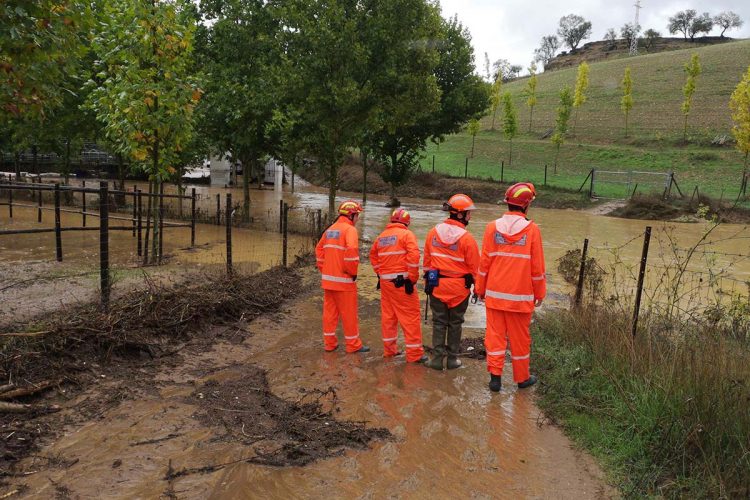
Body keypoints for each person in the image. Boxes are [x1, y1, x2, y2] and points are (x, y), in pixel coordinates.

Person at [474, 183, 546, 392]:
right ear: (526, 205)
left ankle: (495, 379)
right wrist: (540, 293)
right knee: (520, 340)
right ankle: (522, 379)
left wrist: (480, 288)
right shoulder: (532, 230)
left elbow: (484, 263)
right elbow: (537, 267)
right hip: (520, 298)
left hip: (495, 297)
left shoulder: (491, 228)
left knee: (495, 338)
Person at [422, 194, 480, 370]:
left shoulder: (433, 233)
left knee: (439, 323)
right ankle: (453, 360)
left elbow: (427, 263)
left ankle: (437, 360)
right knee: (455, 323)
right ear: (460, 214)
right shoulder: (467, 239)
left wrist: (428, 284)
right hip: (459, 289)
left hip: (437, 287)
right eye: (468, 213)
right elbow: (475, 268)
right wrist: (478, 288)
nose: (470, 216)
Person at [370, 208, 427, 363]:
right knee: (411, 317)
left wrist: (380, 273)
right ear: (406, 223)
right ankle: (415, 355)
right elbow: (414, 257)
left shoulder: (381, 237)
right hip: (402, 283)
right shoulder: (407, 235)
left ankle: (389, 351)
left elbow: (373, 256)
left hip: (386, 284)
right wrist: (412, 279)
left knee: (389, 317)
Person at [315, 200, 370, 353]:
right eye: (357, 215)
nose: (358, 218)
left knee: (329, 314)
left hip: (328, 281)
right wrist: (352, 272)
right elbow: (352, 252)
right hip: (344, 281)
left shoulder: (330, 230)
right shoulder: (350, 230)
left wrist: (325, 270)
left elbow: (319, 251)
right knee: (349, 314)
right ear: (351, 215)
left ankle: (329, 344)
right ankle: (353, 345)